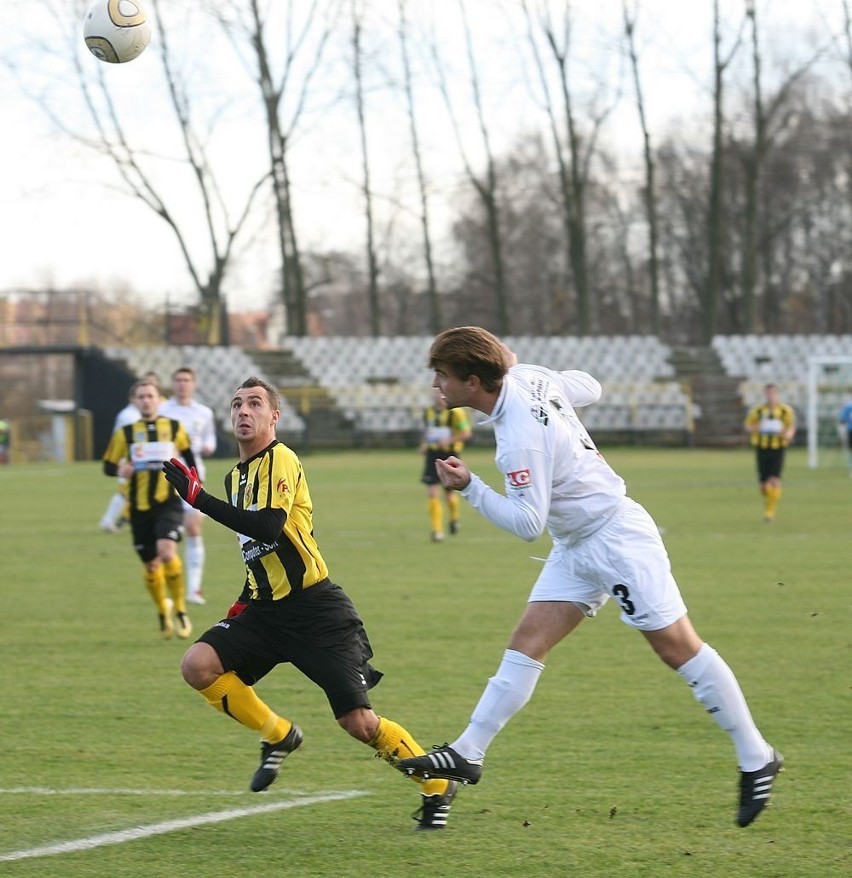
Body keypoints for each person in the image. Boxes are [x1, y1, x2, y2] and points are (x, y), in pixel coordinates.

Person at [398, 326, 782, 829]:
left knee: (678, 647)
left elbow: (527, 525)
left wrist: (470, 486)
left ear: (473, 382)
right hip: (577, 543)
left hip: (615, 540)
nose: (436, 386)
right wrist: (539, 379)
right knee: (526, 642)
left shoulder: (517, 440)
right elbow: (590, 387)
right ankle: (469, 751)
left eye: (442, 377)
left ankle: (757, 756)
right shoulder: (529, 377)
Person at [162, 376, 458, 830]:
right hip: (264, 610)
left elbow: (267, 527)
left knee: (359, 723)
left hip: (316, 611)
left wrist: (198, 498)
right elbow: (256, 553)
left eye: (255, 404)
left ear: (273, 417)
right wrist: (243, 604)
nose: (243, 411)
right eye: (237, 404)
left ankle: (437, 784)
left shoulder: (280, 458)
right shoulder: (235, 476)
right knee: (198, 664)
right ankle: (278, 735)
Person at [103, 379, 197, 640]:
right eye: (141, 396)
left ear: (159, 399)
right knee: (152, 565)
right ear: (134, 401)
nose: (146, 400)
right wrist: (119, 469)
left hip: (168, 502)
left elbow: (189, 458)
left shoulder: (175, 427)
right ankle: (162, 611)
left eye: (150, 395)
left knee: (167, 552)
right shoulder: (126, 433)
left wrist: (192, 483)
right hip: (139, 507)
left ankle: (180, 608)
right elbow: (108, 465)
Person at [159, 366, 218, 605]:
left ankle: (193, 589)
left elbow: (210, 438)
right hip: (166, 475)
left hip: (194, 474)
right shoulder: (163, 411)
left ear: (193, 384)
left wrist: (208, 447)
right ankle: (168, 590)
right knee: (164, 537)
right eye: (178, 380)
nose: (182, 384)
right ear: (172, 384)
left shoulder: (203, 412)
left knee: (194, 528)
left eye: (186, 380)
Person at [99, 371, 163, 533]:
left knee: (133, 491)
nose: (146, 399)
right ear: (134, 397)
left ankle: (119, 520)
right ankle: (111, 520)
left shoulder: (156, 411)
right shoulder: (130, 415)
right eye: (142, 396)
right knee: (128, 491)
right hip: (129, 459)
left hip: (145, 459)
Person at [419, 386, 472, 542]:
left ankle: (454, 518)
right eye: (435, 393)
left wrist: (448, 441)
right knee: (432, 491)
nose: (437, 396)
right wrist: (424, 444)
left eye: (440, 393)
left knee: (449, 494)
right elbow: (428, 430)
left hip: (449, 455)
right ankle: (437, 531)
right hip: (432, 455)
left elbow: (466, 433)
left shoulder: (456, 413)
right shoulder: (428, 412)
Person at [743, 383, 796, 522]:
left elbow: (790, 426)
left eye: (773, 393)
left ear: (777, 394)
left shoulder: (785, 410)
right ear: (765, 394)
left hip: (778, 448)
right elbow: (748, 426)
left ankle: (769, 513)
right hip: (761, 448)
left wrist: (789, 435)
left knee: (774, 480)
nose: (770, 396)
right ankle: (769, 500)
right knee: (764, 487)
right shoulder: (758, 411)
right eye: (768, 393)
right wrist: (757, 426)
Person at [837, 398, 852, 474]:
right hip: (850, 429)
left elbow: (842, 420)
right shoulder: (848, 406)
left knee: (850, 450)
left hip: (850, 430)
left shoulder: (848, 406)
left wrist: (841, 431)